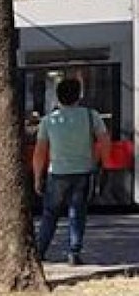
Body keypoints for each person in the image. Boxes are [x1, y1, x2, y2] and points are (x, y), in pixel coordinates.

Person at [33, 78, 111, 266]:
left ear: (58, 97)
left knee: (50, 214)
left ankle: (40, 251)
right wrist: (102, 163)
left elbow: (40, 152)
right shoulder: (91, 116)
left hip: (56, 173)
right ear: (79, 96)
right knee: (77, 213)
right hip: (83, 172)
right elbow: (104, 142)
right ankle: (73, 252)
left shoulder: (48, 121)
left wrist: (37, 177)